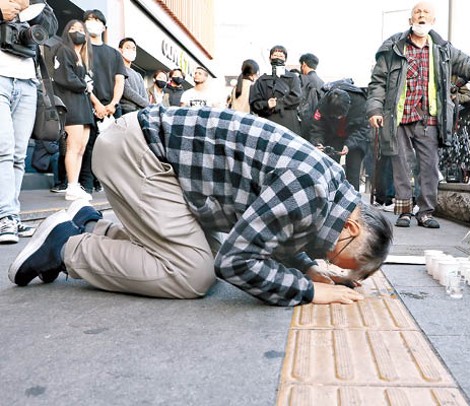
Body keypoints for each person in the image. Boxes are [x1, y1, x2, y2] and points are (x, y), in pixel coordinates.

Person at [9, 105, 393, 307]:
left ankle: (91, 225)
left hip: (148, 154)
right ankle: (64, 247)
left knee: (206, 252)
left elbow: (275, 232)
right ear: (351, 229)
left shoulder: (330, 187)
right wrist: (308, 291)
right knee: (193, 274)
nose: (327, 255)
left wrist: (309, 270)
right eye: (335, 255)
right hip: (138, 154)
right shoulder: (310, 189)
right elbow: (237, 262)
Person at [366, 1, 470, 229]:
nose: (421, 15)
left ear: (433, 21)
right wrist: (375, 110)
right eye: (417, 12)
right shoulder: (394, 48)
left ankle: (426, 212)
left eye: (426, 13)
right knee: (402, 166)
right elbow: (378, 83)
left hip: (430, 118)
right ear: (410, 20)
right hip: (399, 117)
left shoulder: (443, 49)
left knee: (429, 166)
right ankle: (404, 211)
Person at [0, 0, 57, 244]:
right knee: (3, 149)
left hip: (26, 81)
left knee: (18, 155)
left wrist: (34, 6)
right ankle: (6, 217)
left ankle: (11, 215)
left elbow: (51, 29)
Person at [81, 9, 127, 194]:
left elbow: (119, 80)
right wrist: (96, 103)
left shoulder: (114, 54)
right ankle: (86, 184)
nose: (93, 23)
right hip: (87, 104)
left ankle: (105, 183)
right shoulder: (81, 50)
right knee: (87, 146)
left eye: (96, 20)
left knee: (110, 148)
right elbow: (80, 79)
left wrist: (112, 104)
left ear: (104, 26)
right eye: (89, 20)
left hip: (110, 108)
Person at [52, 19, 96, 201]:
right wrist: (84, 85)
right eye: (73, 28)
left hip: (83, 104)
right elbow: (65, 78)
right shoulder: (64, 51)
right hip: (71, 103)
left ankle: (74, 184)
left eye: (80, 29)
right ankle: (70, 186)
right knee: (73, 146)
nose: (77, 32)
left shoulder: (83, 59)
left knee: (81, 148)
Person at [309, 80, 371, 191]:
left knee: (353, 170)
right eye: (335, 115)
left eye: (340, 115)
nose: (338, 118)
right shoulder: (323, 104)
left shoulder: (360, 102)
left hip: (355, 137)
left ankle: (353, 201)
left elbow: (363, 129)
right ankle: (331, 196)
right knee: (330, 167)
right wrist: (317, 143)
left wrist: (349, 145)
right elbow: (317, 127)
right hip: (334, 135)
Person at [249, 45, 302, 134]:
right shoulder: (261, 80)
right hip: (268, 123)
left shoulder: (293, 78)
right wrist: (267, 104)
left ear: (285, 59)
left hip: (288, 123)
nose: (278, 58)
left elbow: (296, 97)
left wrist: (278, 103)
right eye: (275, 56)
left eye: (281, 56)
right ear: (270, 59)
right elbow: (254, 103)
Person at [118, 37, 148, 114]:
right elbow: (127, 91)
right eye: (127, 47)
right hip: (126, 111)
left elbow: (144, 94)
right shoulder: (118, 69)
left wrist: (146, 105)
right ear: (120, 50)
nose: (131, 50)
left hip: (140, 113)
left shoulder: (138, 75)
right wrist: (147, 104)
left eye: (133, 49)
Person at [298, 53, 324, 141]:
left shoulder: (302, 79)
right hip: (318, 125)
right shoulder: (322, 82)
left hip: (303, 123)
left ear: (304, 64)